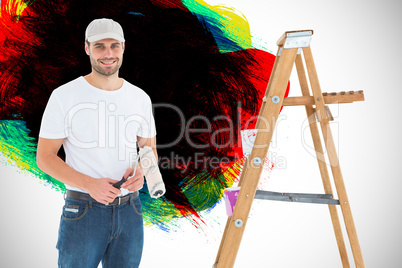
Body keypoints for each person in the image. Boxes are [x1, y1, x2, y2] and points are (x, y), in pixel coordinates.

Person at [36, 18, 158, 268]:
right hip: (83, 211)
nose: (108, 53)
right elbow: (45, 157)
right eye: (100, 46)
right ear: (87, 48)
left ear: (124, 47)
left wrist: (142, 171)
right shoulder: (64, 96)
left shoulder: (139, 98)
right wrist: (90, 184)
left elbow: (149, 149)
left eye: (114, 45)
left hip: (131, 211)